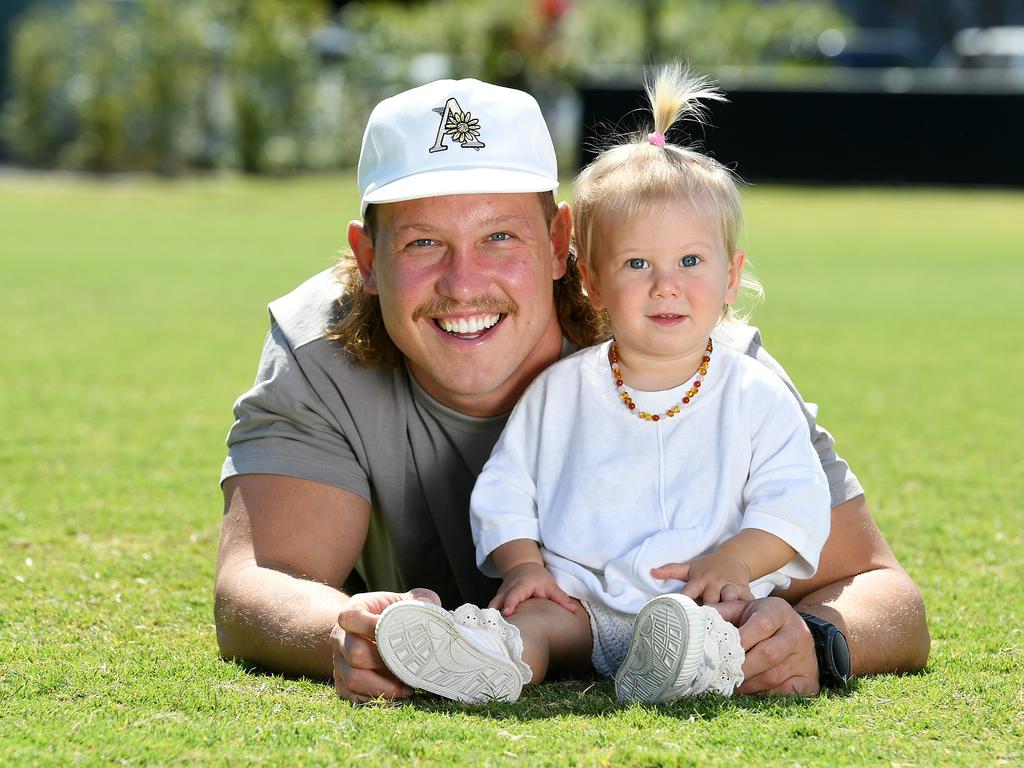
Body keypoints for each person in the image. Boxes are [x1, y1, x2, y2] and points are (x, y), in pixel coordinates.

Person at [214, 76, 929, 705]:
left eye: (499, 237)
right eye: (423, 243)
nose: (465, 284)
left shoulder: (699, 359)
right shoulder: (320, 348)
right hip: (551, 620)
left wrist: (815, 639)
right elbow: (261, 579)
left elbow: (885, 593)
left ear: (562, 245)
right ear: (367, 258)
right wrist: (350, 633)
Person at [371, 66, 833, 705]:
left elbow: (794, 500)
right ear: (589, 279)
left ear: (732, 278)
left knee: (724, 631)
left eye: (691, 262)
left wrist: (737, 563)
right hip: (580, 599)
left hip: (702, 599)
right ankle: (487, 659)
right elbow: (506, 489)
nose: (665, 284)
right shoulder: (560, 393)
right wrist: (524, 566)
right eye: (636, 264)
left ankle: (676, 667)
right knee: (535, 622)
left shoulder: (752, 392)